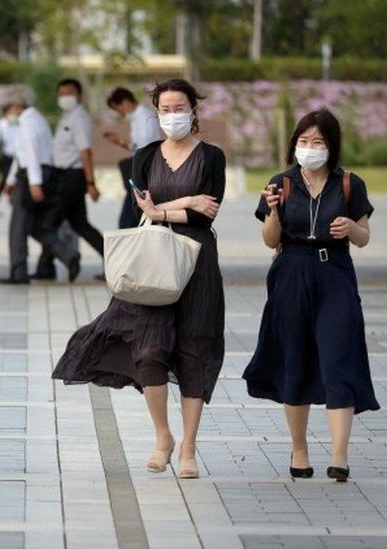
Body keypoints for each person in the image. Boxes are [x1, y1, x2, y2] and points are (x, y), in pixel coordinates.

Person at [53, 79, 226, 479]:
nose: (172, 116)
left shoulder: (212, 157)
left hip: (196, 260)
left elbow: (207, 213)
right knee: (149, 351)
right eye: (164, 110)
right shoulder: (145, 156)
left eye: (179, 108)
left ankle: (188, 447)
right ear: (156, 112)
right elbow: (142, 207)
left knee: (192, 350)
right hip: (153, 258)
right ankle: (163, 436)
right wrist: (181, 203)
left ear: (193, 111)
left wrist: (168, 208)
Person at [244, 109, 378, 482]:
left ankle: (339, 456)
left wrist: (351, 226)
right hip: (291, 271)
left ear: (331, 146)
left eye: (318, 142)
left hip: (335, 271)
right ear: (294, 144)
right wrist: (272, 211)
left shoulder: (349, 184)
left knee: (339, 357)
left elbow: (364, 238)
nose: (310, 148)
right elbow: (271, 240)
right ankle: (299, 450)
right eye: (303, 141)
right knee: (295, 358)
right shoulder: (281, 183)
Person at [0, 98, 80, 285]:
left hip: (29, 177)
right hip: (41, 173)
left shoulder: (27, 122)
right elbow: (22, 155)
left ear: (17, 107)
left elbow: (30, 153)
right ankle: (67, 254)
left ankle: (18, 272)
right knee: (37, 226)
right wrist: (11, 180)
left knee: (18, 227)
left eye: (10, 110)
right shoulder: (39, 119)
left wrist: (34, 182)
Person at [34, 78, 104, 281]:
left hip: (72, 177)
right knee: (80, 224)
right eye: (61, 93)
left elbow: (86, 152)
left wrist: (91, 183)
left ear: (79, 96)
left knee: (49, 223)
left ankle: (63, 260)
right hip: (64, 176)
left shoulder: (79, 118)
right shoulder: (67, 117)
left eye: (69, 93)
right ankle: (114, 263)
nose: (65, 97)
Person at [105, 87, 162, 229]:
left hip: (144, 172)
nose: (120, 112)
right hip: (140, 170)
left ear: (125, 102)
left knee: (128, 221)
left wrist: (122, 142)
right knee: (134, 219)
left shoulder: (143, 117)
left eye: (118, 108)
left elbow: (144, 146)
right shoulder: (137, 119)